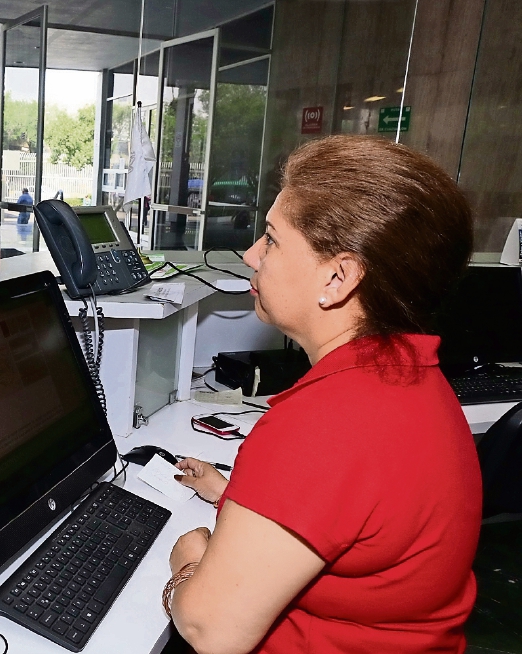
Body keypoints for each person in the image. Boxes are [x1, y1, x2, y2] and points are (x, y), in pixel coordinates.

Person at [164, 135, 481, 653]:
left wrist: (187, 559)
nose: (250, 256)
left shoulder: (328, 422)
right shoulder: (412, 376)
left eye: (271, 239)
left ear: (338, 278)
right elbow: (360, 509)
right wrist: (236, 497)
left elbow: (210, 630)